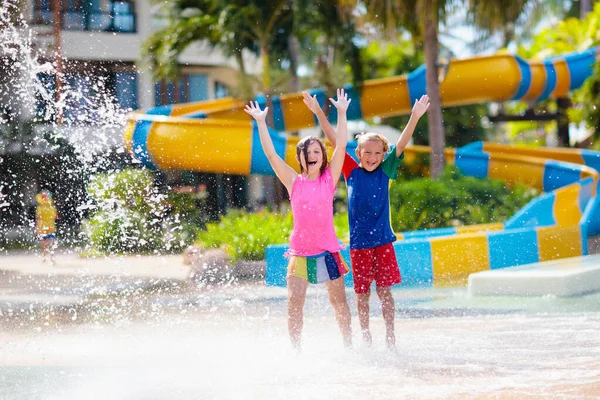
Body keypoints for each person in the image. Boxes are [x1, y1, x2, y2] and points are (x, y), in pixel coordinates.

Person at [303, 91, 430, 348]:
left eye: (376, 153)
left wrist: (414, 117)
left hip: (383, 242)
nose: (371, 158)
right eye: (366, 153)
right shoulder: (351, 171)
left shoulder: (386, 171)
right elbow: (335, 141)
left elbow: (402, 143)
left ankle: (390, 334)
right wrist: (318, 112)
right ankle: (365, 334)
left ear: (384, 155)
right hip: (360, 245)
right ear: (358, 153)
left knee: (384, 292)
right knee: (362, 294)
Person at [244, 89, 353, 350]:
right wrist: (261, 122)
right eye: (306, 151)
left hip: (328, 250)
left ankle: (349, 346)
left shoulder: (329, 179)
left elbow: (341, 145)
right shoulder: (293, 181)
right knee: (294, 303)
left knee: (339, 302)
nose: (312, 154)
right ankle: (296, 351)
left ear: (322, 156)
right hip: (300, 252)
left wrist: (340, 112)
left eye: (316, 150)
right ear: (300, 158)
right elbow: (271, 156)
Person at [35, 190, 58, 264]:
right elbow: (55, 217)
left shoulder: (40, 207)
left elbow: (38, 218)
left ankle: (45, 258)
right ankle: (51, 258)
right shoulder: (51, 207)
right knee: (50, 243)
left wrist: (37, 228)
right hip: (50, 227)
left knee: (44, 244)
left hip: (43, 227)